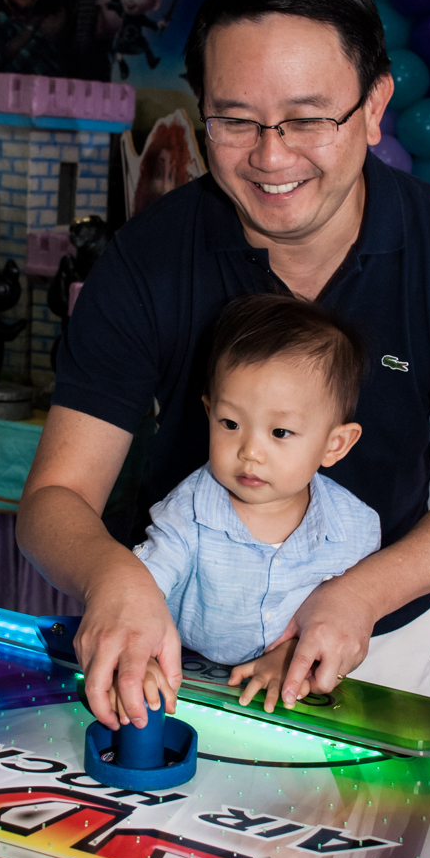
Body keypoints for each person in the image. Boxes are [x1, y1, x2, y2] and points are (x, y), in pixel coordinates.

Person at [16, 0, 430, 733]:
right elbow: (56, 497)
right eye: (233, 120)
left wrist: (355, 596)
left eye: (307, 118)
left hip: (371, 638)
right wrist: (114, 579)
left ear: (373, 105)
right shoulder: (149, 257)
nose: (270, 155)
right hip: (171, 647)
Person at [124, 293, 379, 721]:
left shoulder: (355, 528)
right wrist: (140, 652)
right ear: (209, 412)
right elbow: (140, 592)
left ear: (335, 444)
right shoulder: (186, 510)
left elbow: (345, 621)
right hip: (189, 688)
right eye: (230, 424)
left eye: (280, 431)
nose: (250, 452)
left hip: (303, 708)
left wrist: (296, 657)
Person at [107, 0, 172, 81]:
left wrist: (160, 25)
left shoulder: (140, 18)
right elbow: (114, 6)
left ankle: (151, 61)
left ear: (155, 4)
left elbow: (152, 24)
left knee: (144, 46)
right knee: (116, 50)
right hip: (123, 40)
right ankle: (122, 65)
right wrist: (106, 4)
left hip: (135, 41)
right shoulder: (123, 9)